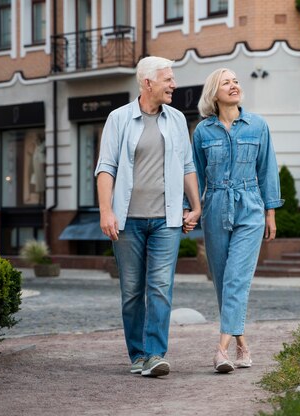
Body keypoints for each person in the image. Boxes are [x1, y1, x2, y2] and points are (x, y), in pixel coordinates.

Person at [95, 56, 201, 377]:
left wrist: (195, 206)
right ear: (148, 83)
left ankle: (155, 354)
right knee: (131, 292)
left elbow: (187, 165)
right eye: (168, 79)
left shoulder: (178, 119)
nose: (174, 85)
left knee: (159, 287)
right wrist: (106, 210)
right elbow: (106, 167)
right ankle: (137, 355)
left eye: (173, 79)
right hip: (127, 221)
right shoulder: (119, 118)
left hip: (167, 220)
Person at [192, 68, 283, 373]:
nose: (233, 86)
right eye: (225, 83)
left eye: (235, 81)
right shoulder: (203, 132)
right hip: (215, 206)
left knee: (236, 279)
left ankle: (221, 350)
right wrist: (190, 208)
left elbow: (268, 170)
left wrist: (271, 212)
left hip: (250, 206)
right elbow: (194, 174)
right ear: (213, 94)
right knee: (222, 281)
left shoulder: (258, 126)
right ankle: (243, 346)